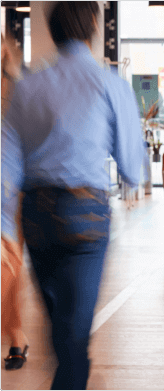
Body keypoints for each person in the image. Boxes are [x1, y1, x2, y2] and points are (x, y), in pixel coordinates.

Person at [3, 2, 145, 389]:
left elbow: (6, 166)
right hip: (85, 214)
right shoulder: (110, 84)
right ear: (94, 26)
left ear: (51, 28)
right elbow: (133, 167)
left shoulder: (27, 88)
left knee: (61, 332)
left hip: (36, 217)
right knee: (74, 335)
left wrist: (5, 229)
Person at [1, 33, 30, 371]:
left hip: (10, 190)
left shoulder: (16, 89)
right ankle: (16, 334)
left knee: (9, 263)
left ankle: (16, 333)